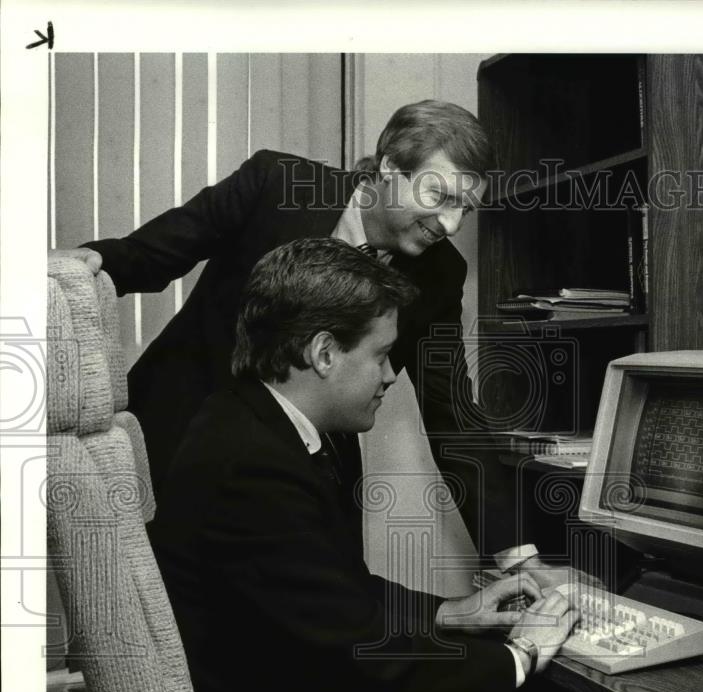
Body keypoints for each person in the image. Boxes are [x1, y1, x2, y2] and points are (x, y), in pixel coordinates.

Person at [147, 237, 650, 692]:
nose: (391, 375)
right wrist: (517, 656)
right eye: (382, 354)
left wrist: (450, 613)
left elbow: (337, 598)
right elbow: (358, 654)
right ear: (322, 353)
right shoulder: (253, 466)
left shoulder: (249, 424)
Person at [62, 99, 588, 588]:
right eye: (438, 196)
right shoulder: (276, 184)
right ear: (387, 168)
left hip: (307, 476)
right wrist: (82, 265)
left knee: (327, 626)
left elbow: (451, 411)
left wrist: (518, 557)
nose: (449, 224)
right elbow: (152, 253)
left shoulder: (441, 274)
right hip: (179, 442)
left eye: (466, 209)